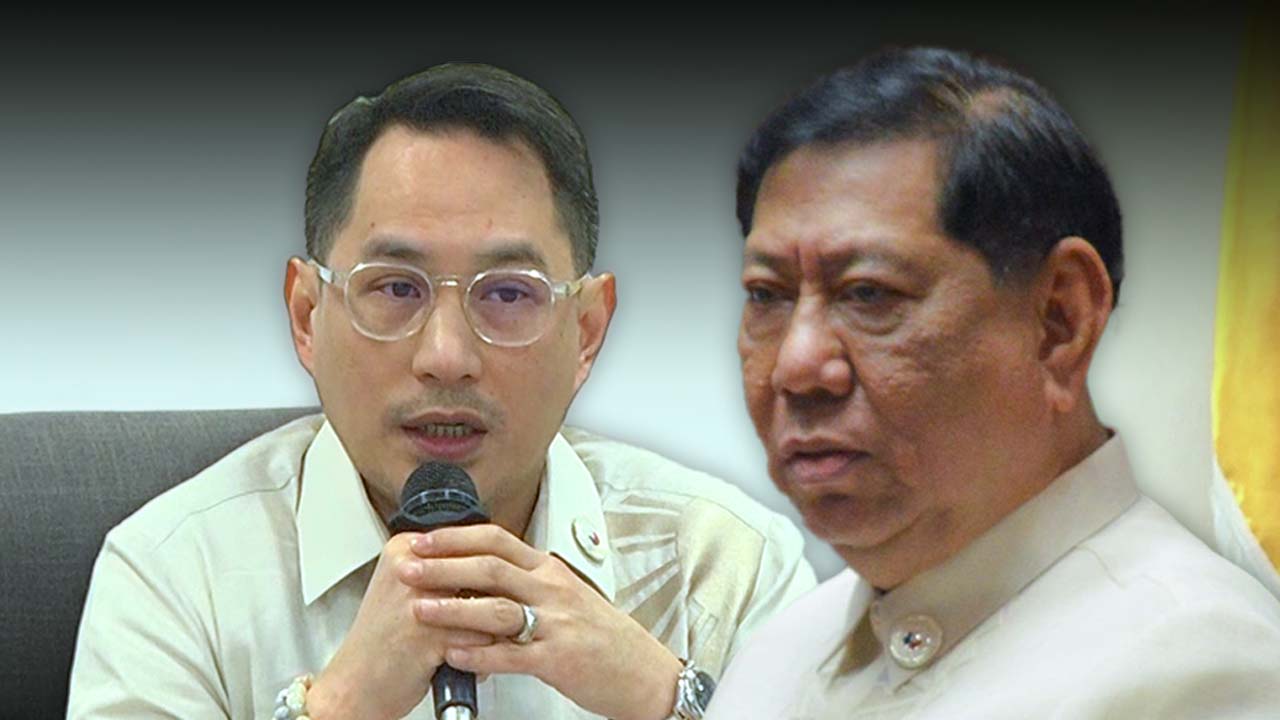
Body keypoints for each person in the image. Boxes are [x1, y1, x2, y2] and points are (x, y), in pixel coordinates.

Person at [67, 63, 815, 720]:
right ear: (306, 316)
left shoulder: (723, 567)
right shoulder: (175, 577)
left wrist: (668, 700)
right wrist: (339, 709)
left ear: (586, 331)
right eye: (396, 288)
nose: (446, 357)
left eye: (508, 294)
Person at [708, 46, 1280, 719]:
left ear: (1059, 321)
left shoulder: (1199, 674)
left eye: (868, 293)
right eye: (767, 295)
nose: (797, 367)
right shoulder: (777, 654)